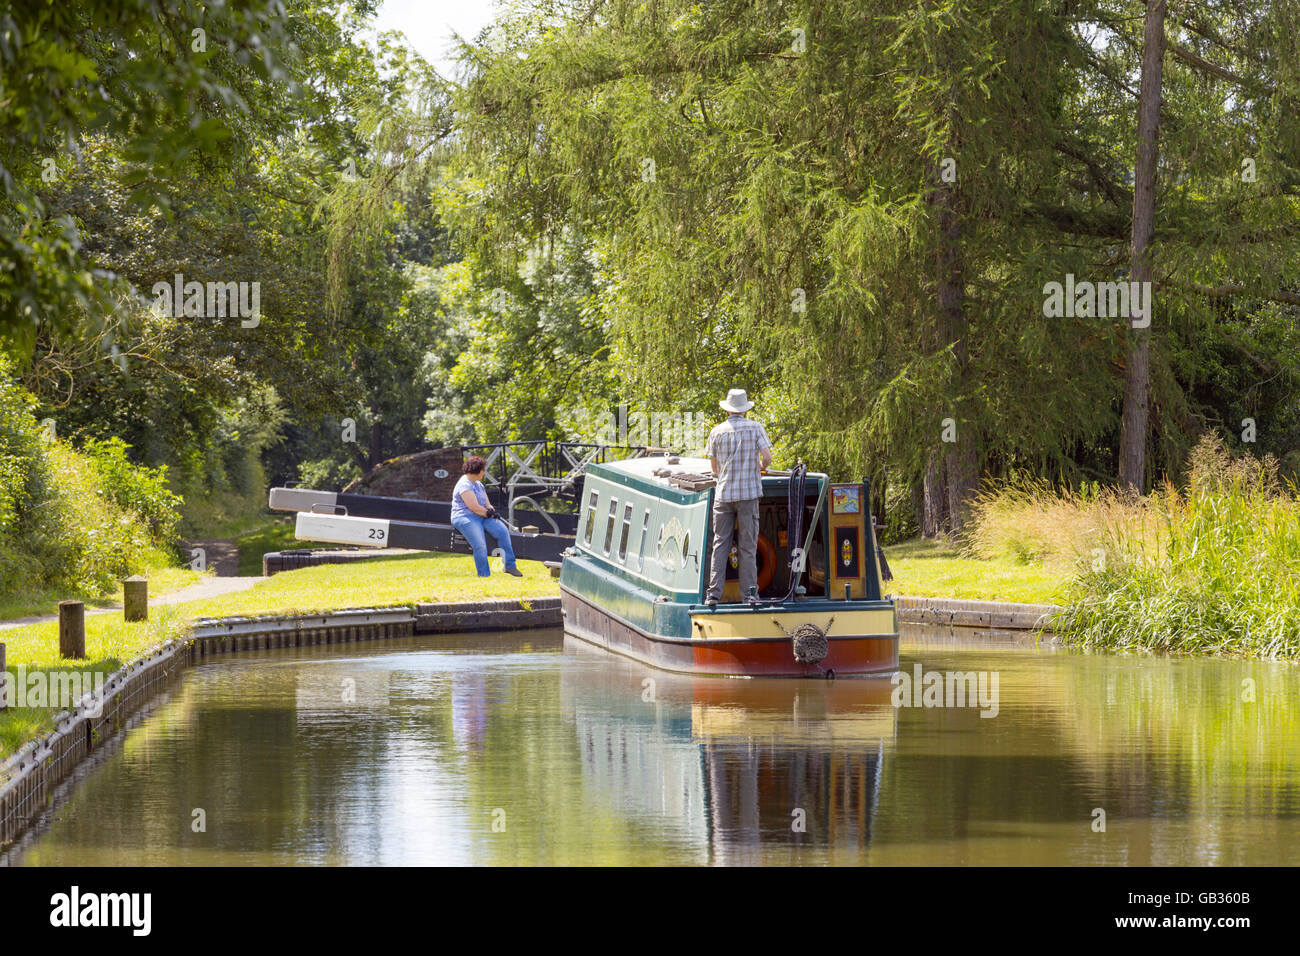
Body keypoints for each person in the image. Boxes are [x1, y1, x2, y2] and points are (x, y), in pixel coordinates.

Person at [705, 388, 772, 605]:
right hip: (748, 495)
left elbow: (714, 469)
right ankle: (750, 595)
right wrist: (760, 466)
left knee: (720, 544)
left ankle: (713, 595)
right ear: (745, 410)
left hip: (723, 495)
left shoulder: (716, 431)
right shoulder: (755, 428)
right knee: (748, 546)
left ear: (727, 410)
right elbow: (767, 458)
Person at [450, 456, 522, 577]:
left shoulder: (478, 484)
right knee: (480, 545)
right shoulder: (464, 484)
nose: (484, 472)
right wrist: (487, 513)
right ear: (477, 470)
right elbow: (474, 507)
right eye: (483, 469)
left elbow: (486, 503)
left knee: (502, 531)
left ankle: (510, 566)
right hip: (465, 517)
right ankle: (484, 575)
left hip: (481, 515)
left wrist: (491, 509)